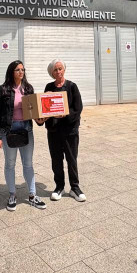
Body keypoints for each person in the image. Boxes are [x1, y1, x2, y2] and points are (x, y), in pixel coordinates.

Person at [0, 61, 47, 211]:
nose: (21, 72)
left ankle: (32, 195)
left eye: (22, 69)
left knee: (28, 164)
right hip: (8, 131)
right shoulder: (2, 90)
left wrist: (41, 119)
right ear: (11, 71)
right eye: (17, 70)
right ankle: (12, 194)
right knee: (10, 164)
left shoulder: (28, 89)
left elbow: (34, 110)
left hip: (26, 129)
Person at [42, 59, 84, 202]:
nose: (58, 72)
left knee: (72, 159)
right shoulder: (49, 87)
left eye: (60, 69)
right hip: (54, 131)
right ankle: (59, 186)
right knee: (56, 160)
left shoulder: (72, 87)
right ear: (51, 73)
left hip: (70, 130)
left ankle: (75, 188)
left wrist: (65, 114)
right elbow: (44, 110)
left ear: (64, 70)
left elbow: (78, 108)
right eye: (55, 70)